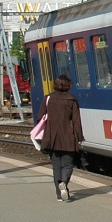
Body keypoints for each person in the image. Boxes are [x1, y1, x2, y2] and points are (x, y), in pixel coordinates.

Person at [39, 74, 84, 202]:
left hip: (52, 137)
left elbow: (40, 117)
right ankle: (63, 182)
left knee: (56, 166)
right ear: (68, 86)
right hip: (68, 137)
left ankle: (59, 195)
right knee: (68, 164)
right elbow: (76, 121)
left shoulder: (48, 99)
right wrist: (79, 137)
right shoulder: (72, 100)